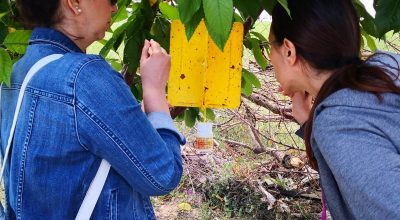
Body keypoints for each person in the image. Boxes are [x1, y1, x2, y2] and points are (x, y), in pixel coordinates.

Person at [0, 0, 185, 219]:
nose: (114, 8)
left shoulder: (14, 75)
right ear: (75, 3)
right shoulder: (85, 78)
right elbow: (163, 175)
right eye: (111, 0)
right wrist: (154, 90)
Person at [268, 0, 400, 219]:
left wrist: (323, 125)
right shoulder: (388, 68)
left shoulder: (339, 122)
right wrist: (307, 124)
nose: (270, 59)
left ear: (289, 51)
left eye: (271, 46)